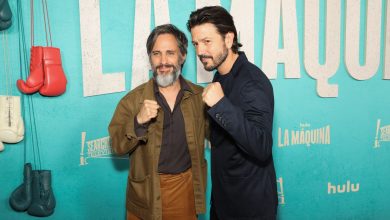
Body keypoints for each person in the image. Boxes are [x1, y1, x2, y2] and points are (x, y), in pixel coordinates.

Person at [108, 24, 208, 220]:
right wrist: (138, 121)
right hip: (145, 196)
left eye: (170, 53)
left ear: (183, 56)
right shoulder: (132, 101)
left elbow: (224, 139)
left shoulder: (199, 97)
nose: (163, 61)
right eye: (156, 54)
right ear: (150, 58)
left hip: (185, 192)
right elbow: (117, 147)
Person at [187, 6, 278, 220]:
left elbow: (262, 146)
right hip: (223, 202)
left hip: (249, 208)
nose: (200, 51)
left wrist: (221, 105)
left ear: (228, 39)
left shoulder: (252, 82)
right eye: (196, 44)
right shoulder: (221, 76)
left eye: (207, 41)